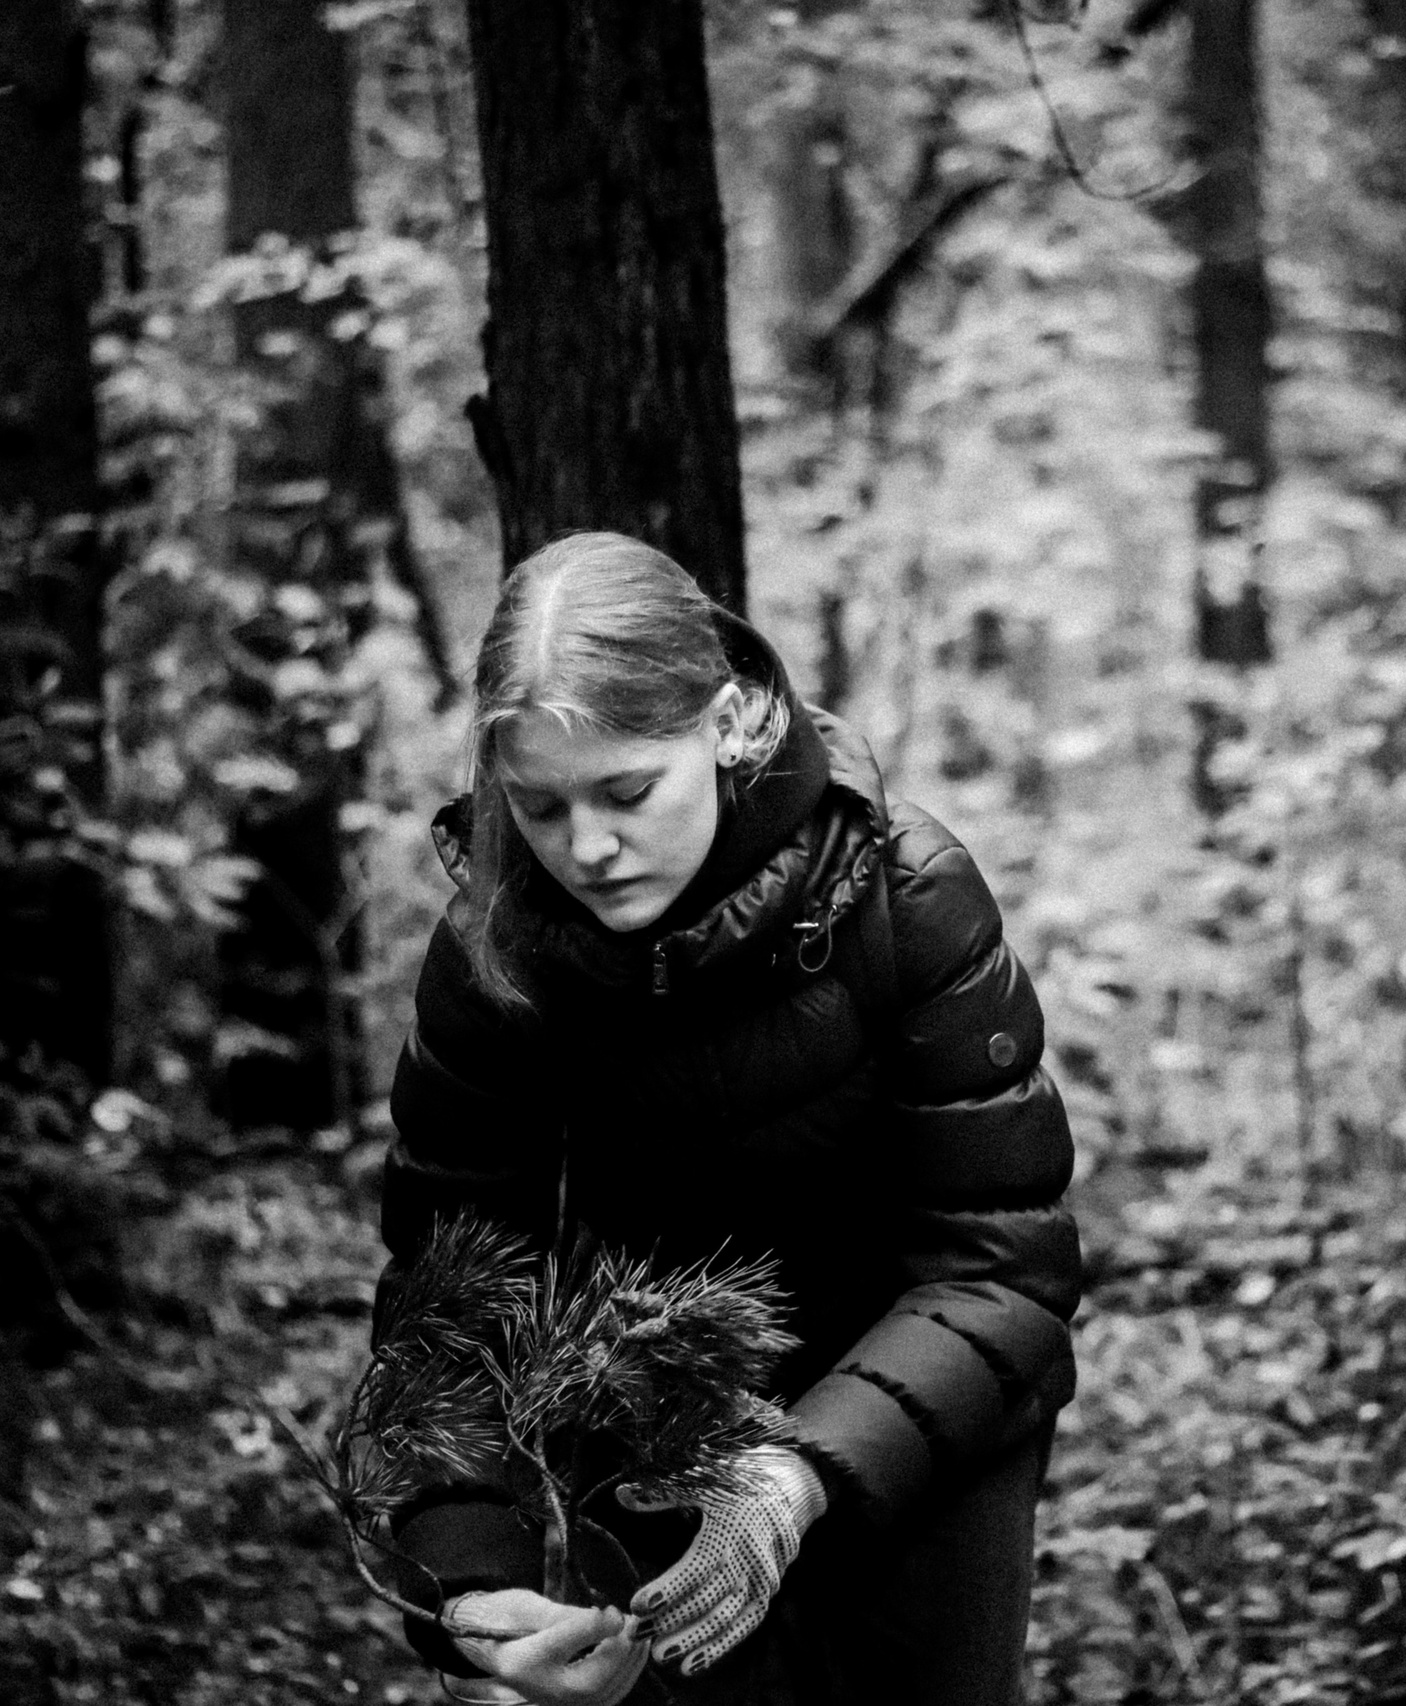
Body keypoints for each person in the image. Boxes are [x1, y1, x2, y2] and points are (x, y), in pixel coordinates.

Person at [377, 532, 1083, 1706]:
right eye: (539, 807)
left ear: (726, 723)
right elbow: (450, 1293)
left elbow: (1004, 1271)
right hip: (656, 1431)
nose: (587, 849)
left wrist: (793, 1476)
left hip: (929, 1426)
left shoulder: (907, 897)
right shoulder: (490, 953)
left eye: (627, 791)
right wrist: (467, 1586)